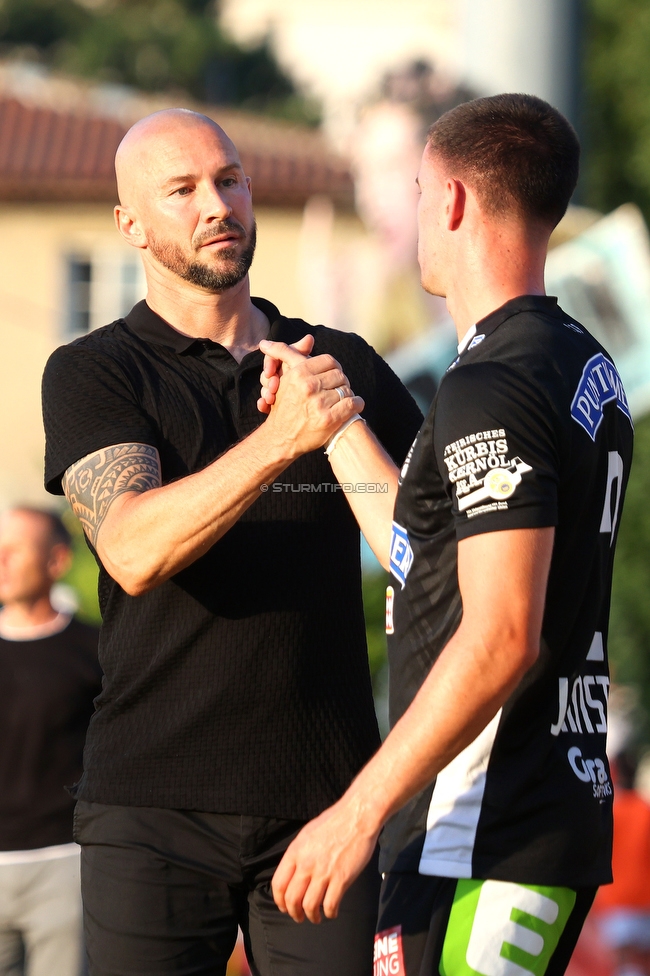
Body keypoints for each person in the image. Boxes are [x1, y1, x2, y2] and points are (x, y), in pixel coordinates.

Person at [41, 108, 422, 976]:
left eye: (231, 179)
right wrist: (282, 442)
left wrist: (339, 429)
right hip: (154, 806)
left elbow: (422, 558)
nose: (218, 205)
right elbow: (133, 551)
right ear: (129, 224)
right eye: (182, 190)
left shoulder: (341, 366)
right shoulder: (99, 371)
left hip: (326, 805)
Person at [263, 93, 634, 976]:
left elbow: (502, 633)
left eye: (419, 188)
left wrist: (356, 812)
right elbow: (428, 560)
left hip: (484, 822)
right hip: (527, 809)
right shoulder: (576, 357)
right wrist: (336, 425)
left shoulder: (493, 383)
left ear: (455, 200)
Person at [0, 507, 101, 976]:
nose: (1, 560)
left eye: (14, 550)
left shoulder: (95, 650)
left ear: (56, 560)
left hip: (64, 863)